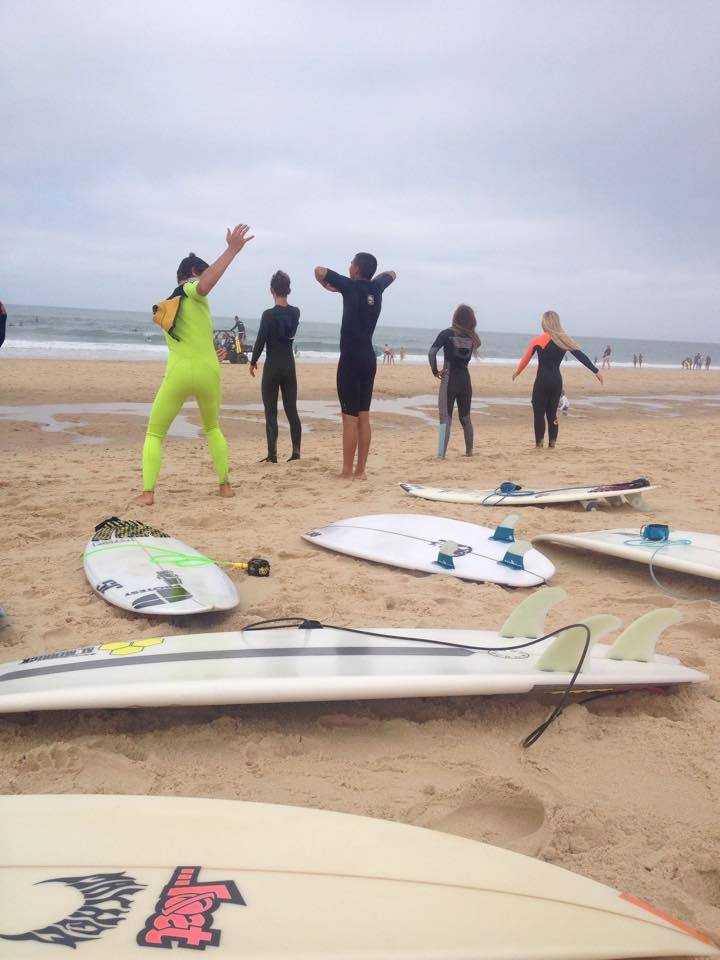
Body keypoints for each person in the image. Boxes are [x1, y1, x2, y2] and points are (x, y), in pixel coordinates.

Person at [135, 223, 254, 506]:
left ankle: (148, 493)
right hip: (208, 372)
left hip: (178, 374)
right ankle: (225, 486)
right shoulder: (190, 289)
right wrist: (231, 250)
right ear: (190, 274)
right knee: (212, 428)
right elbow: (205, 283)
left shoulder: (167, 307)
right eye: (203, 271)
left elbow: (185, 342)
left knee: (154, 433)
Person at [314, 253, 396, 479]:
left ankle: (347, 471)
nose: (349, 266)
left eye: (351, 263)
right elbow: (392, 274)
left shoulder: (349, 286)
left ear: (357, 268)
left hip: (350, 359)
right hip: (369, 358)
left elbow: (319, 270)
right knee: (364, 416)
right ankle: (361, 470)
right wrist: (368, 282)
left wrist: (330, 286)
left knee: (349, 418)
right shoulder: (377, 288)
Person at [512, 310, 603, 448]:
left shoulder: (537, 341)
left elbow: (526, 359)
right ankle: (552, 444)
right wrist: (595, 370)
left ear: (545, 323)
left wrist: (517, 372)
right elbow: (580, 355)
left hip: (542, 381)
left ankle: (539, 444)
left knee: (539, 414)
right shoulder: (563, 340)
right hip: (556, 382)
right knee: (552, 414)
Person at [249, 270, 302, 463]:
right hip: (289, 365)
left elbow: (261, 340)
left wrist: (253, 361)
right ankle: (296, 452)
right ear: (289, 290)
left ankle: (272, 455)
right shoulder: (295, 312)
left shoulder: (268, 315)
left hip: (272, 366)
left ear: (272, 290)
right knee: (291, 410)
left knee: (270, 411)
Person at [428, 304, 480, 458]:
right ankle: (469, 452)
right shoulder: (473, 338)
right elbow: (478, 343)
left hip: (449, 380)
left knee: (446, 419)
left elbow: (431, 353)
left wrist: (435, 371)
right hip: (465, 380)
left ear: (456, 317)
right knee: (466, 418)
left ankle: (441, 455)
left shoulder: (446, 333)